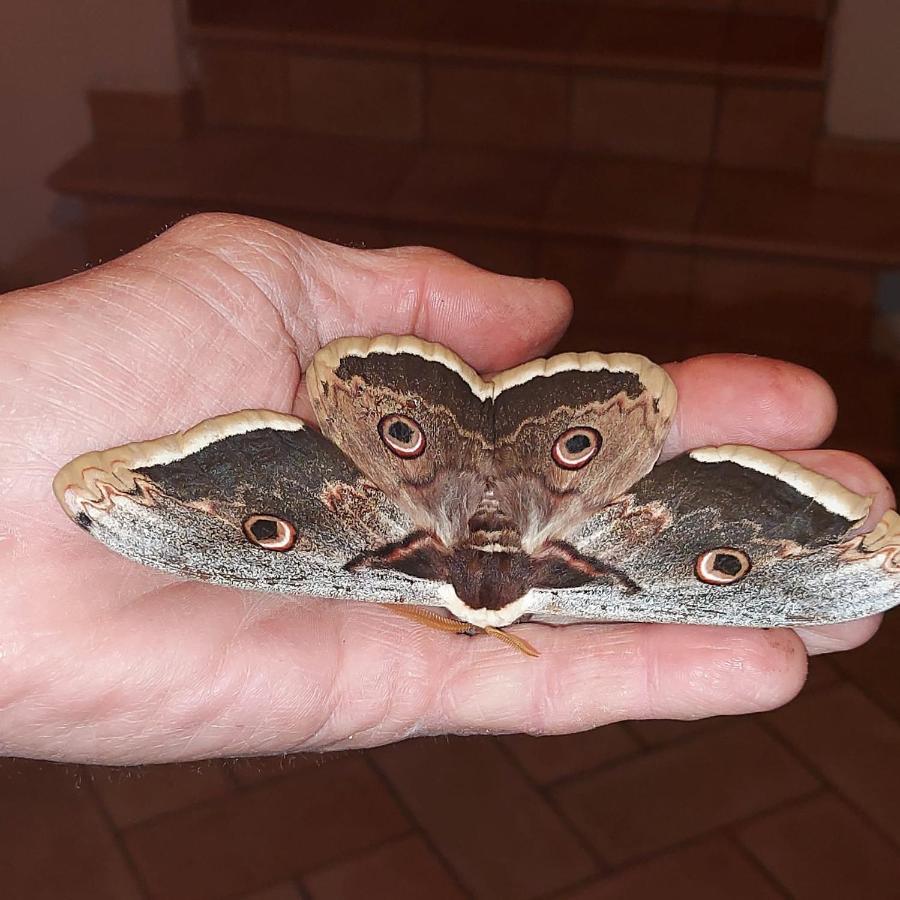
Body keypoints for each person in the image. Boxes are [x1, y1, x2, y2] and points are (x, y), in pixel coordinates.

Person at [0, 213, 890, 764]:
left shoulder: (384, 569)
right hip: (555, 474)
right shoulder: (544, 583)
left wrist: (137, 507)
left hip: (421, 460)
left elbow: (259, 514)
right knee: (726, 594)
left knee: (277, 551)